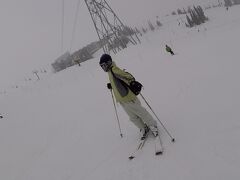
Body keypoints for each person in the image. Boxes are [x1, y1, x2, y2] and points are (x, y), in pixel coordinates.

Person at [99, 54, 158, 140]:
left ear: (109, 62)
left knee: (141, 112)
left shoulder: (114, 69)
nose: (103, 67)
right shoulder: (109, 72)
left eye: (104, 65)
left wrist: (131, 81)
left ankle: (153, 126)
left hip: (129, 98)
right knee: (133, 117)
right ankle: (143, 128)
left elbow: (129, 77)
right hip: (122, 100)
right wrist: (111, 85)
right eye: (101, 66)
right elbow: (117, 81)